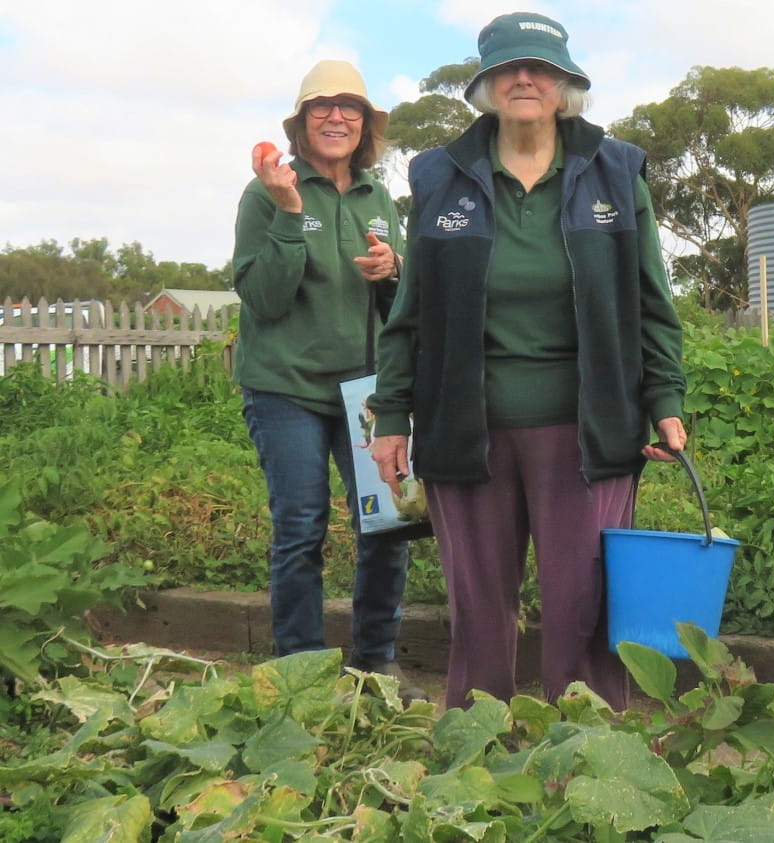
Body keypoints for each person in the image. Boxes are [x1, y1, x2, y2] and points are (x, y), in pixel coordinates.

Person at [368, 12, 687, 711]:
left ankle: (591, 762)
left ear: (564, 83)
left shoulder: (615, 171)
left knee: (585, 611)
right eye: (508, 67)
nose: (524, 78)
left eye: (539, 67)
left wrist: (664, 398)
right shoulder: (440, 178)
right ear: (484, 85)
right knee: (478, 614)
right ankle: (478, 762)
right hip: (467, 430)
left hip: (588, 431)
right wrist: (391, 413)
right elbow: (410, 311)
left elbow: (651, 299)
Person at [233, 59, 422, 700]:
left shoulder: (378, 200)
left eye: (350, 107)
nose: (336, 116)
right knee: (301, 527)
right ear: (302, 122)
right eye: (322, 106)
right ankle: (302, 675)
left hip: (366, 392)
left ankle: (375, 664)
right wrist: (289, 212)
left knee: (388, 524)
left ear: (365, 123)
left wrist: (394, 271)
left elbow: (399, 311)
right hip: (285, 389)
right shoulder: (266, 192)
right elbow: (264, 299)